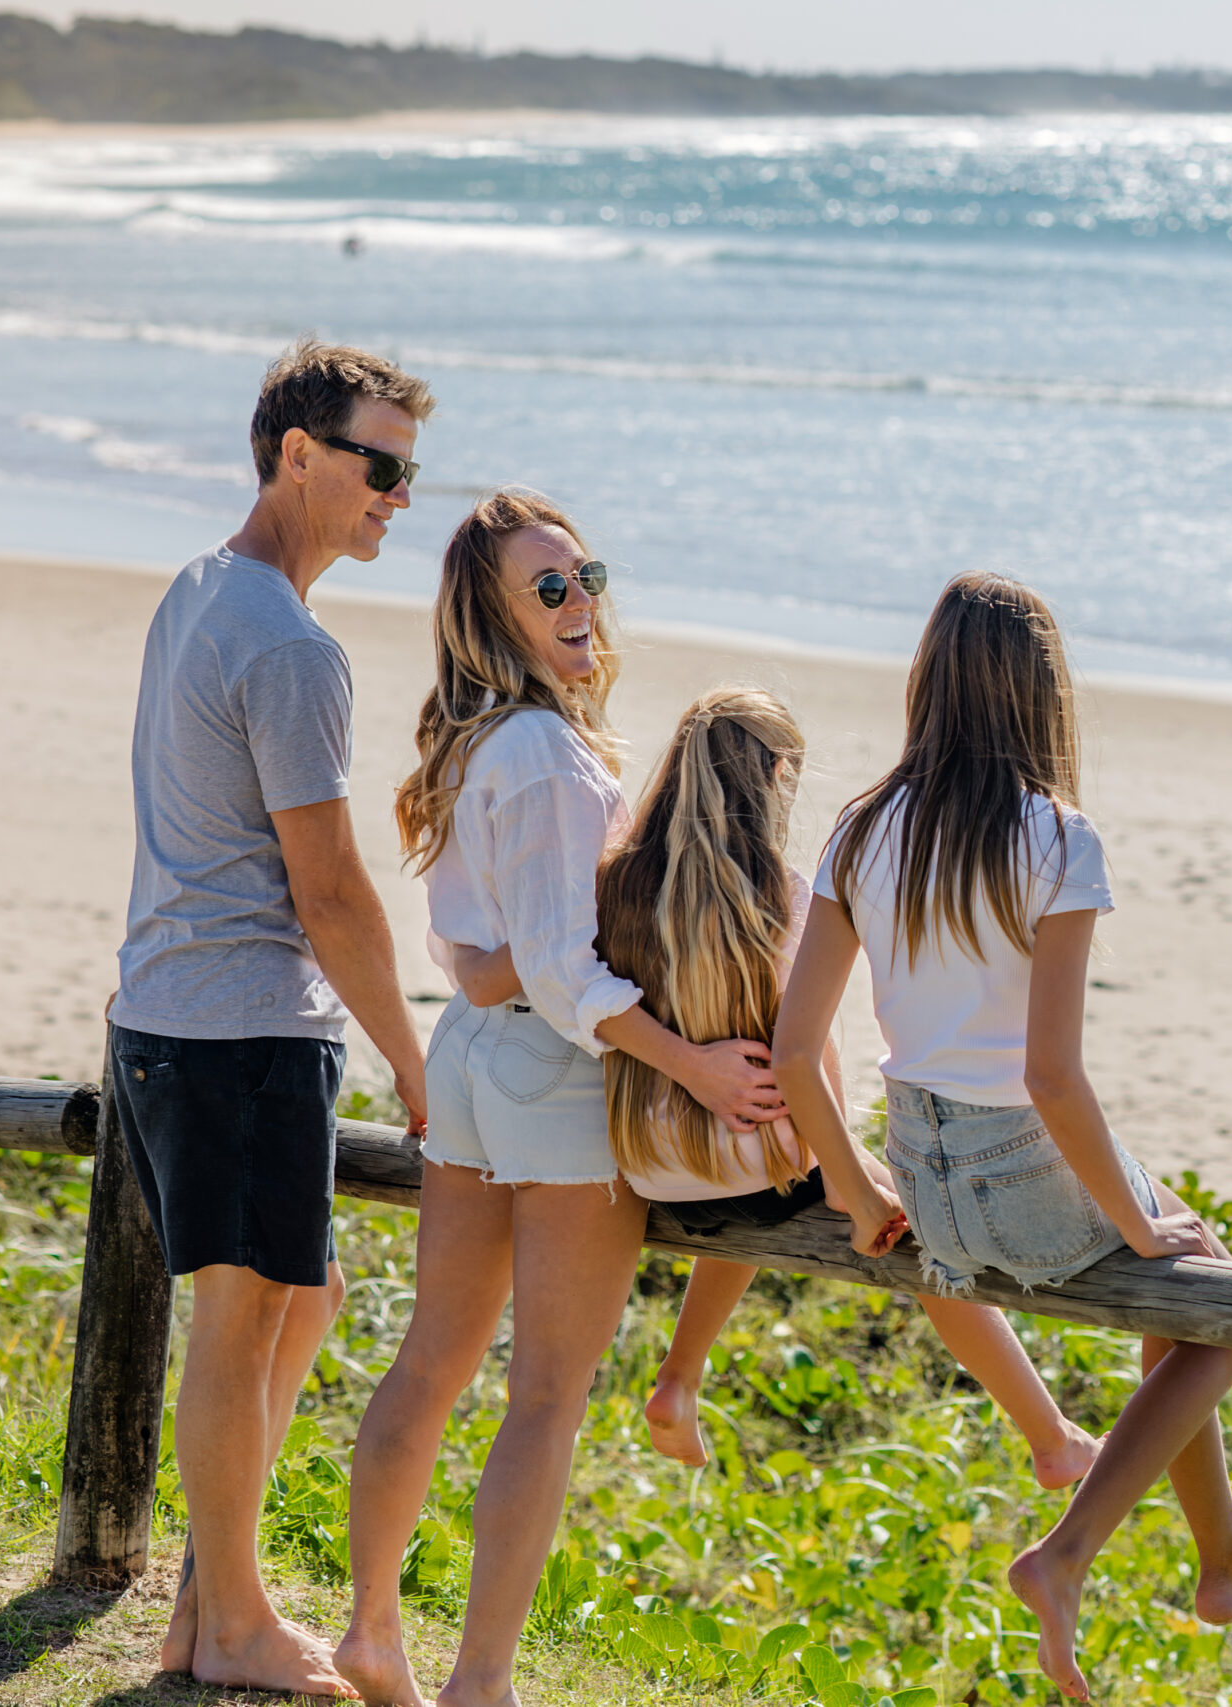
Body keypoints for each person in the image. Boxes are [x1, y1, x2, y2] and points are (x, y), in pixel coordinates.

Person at [771, 571, 1232, 1701]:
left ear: (927, 681)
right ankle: (1069, 1553)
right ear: (1043, 694)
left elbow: (798, 1054)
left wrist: (856, 1187)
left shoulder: (861, 825)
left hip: (925, 1176)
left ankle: (1226, 1563)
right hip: (1011, 1161)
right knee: (1220, 1308)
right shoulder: (1056, 837)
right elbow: (1049, 1078)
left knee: (1185, 1287)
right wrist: (1137, 1225)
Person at [333, 489, 785, 1707]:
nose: (580, 601)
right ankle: (479, 1681)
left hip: (484, 1056)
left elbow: (472, 947)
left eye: (586, 574)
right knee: (543, 1394)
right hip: (552, 1068)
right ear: (494, 616)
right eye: (549, 589)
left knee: (431, 1361)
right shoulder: (540, 752)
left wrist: (498, 971)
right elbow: (561, 969)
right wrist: (691, 1064)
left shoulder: (492, 741)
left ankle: (375, 1632)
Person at [442, 686, 1100, 1486]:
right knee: (918, 1229)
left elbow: (551, 971)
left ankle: (680, 1380)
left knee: (772, 1161)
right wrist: (856, 1179)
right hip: (754, 1162)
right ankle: (1049, 1432)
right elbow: (804, 1060)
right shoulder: (781, 897)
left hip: (649, 1163)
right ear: (778, 775)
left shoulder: (610, 884)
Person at [107, 339, 436, 1698]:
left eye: (413, 475)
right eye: (382, 466)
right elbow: (334, 892)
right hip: (239, 1027)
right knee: (243, 1325)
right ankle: (231, 1623)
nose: (399, 498)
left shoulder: (198, 590)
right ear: (297, 452)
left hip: (170, 1012)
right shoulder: (293, 646)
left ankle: (210, 1598)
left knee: (307, 1293)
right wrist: (421, 1065)